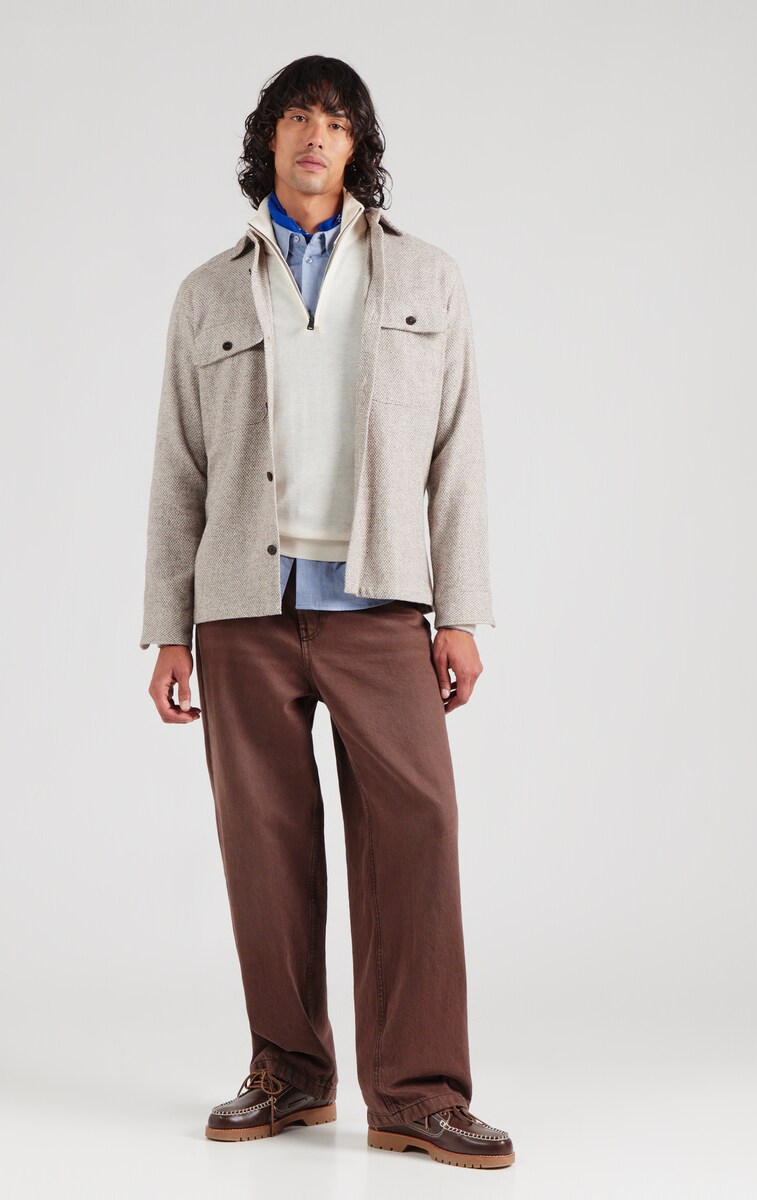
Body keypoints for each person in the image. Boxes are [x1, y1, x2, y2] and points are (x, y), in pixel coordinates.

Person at [139, 55, 513, 1170]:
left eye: (338, 122)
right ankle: (290, 1073)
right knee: (263, 845)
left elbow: (457, 455)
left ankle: (419, 1093)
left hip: (380, 602)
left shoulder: (426, 277)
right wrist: (167, 627)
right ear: (270, 137)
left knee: (417, 830)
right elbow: (177, 470)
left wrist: (461, 612)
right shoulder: (208, 293)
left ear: (358, 147)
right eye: (299, 116)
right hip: (242, 608)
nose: (317, 135)